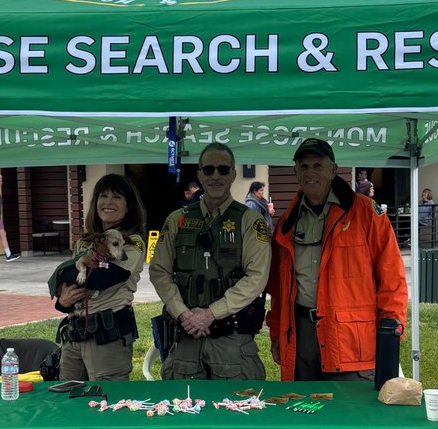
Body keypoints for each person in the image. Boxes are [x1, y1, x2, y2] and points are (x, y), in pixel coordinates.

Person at [267, 138, 407, 381]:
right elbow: (278, 289)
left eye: (318, 165)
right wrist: (277, 333)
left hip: (351, 338)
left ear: (333, 170)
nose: (310, 173)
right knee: (303, 410)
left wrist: (391, 334)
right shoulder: (287, 222)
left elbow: (392, 278)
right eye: (304, 166)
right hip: (301, 336)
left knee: (351, 414)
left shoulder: (366, 213)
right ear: (295, 172)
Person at [150, 143, 271, 380]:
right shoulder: (178, 220)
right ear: (199, 174)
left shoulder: (249, 221)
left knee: (237, 411)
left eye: (224, 170)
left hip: (231, 343)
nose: (216, 176)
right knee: (182, 411)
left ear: (233, 174)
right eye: (209, 170)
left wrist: (211, 314)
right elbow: (159, 271)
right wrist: (184, 314)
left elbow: (257, 277)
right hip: (186, 340)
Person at [48, 174, 146, 381]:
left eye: (117, 197)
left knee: (107, 403)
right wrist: (63, 301)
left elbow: (101, 279)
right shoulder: (84, 242)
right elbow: (63, 280)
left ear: (128, 206)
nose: (108, 202)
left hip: (107, 337)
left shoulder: (131, 242)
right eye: (103, 196)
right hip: (74, 333)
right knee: (68, 400)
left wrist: (66, 273)